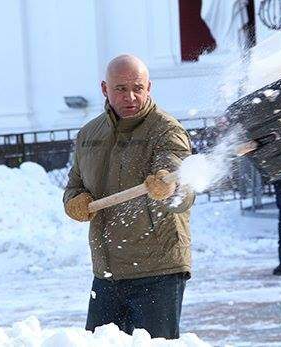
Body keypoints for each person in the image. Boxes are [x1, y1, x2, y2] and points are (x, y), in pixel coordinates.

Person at [63, 54, 195, 339]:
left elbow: (182, 185)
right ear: (104, 89)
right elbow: (74, 186)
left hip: (157, 270)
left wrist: (168, 187)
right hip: (107, 272)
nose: (131, 96)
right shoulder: (88, 135)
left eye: (138, 87)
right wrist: (75, 202)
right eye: (121, 89)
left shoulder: (167, 130)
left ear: (149, 87)